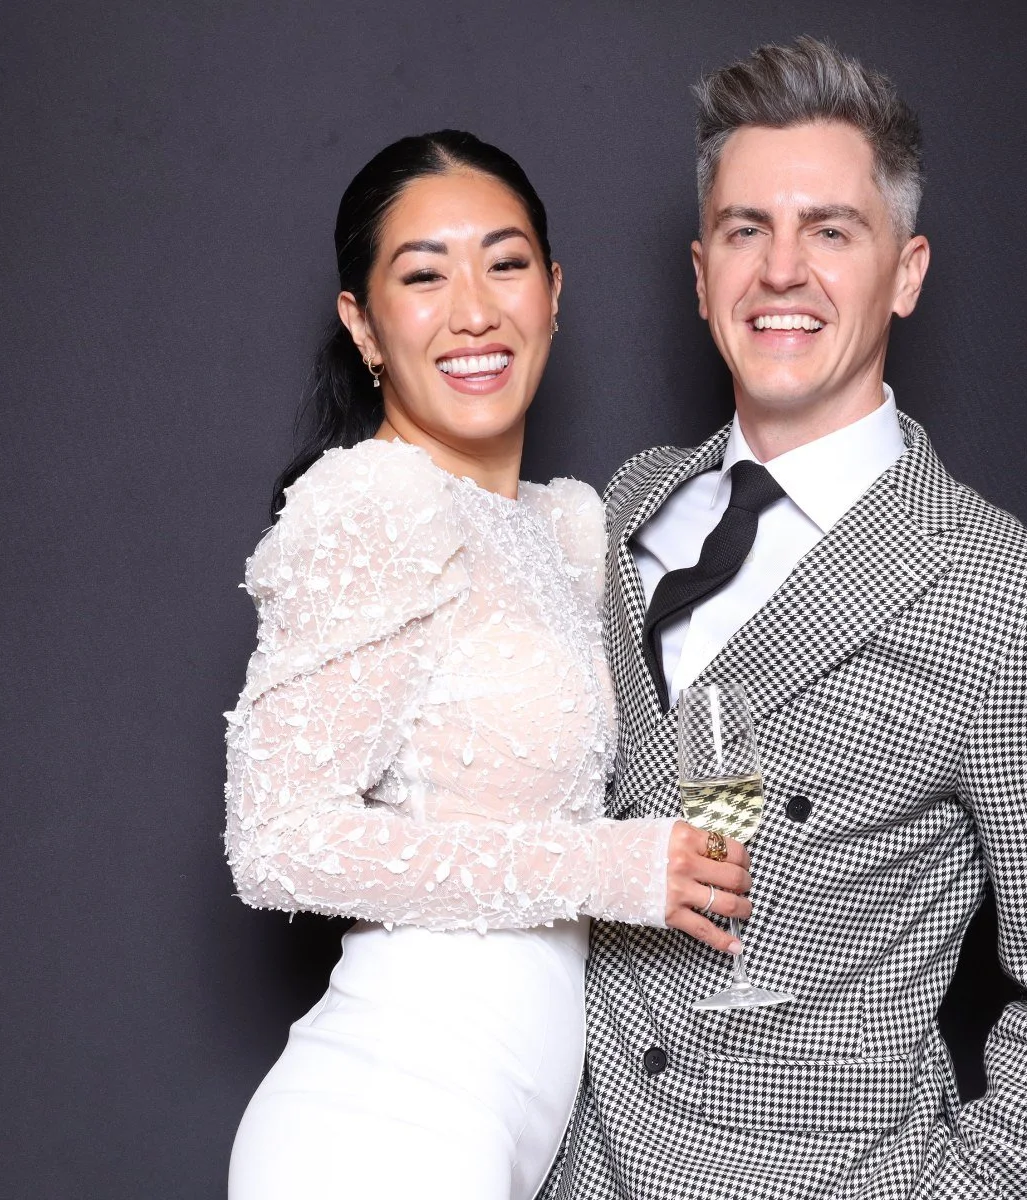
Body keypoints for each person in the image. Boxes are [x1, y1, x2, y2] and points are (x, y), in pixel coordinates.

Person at [545, 39, 1027, 1199]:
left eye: (831, 230)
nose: (783, 271)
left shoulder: (1021, 608)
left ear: (907, 270)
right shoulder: (627, 502)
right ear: (699, 271)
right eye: (745, 230)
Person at [222, 130, 752, 1200]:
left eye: (504, 263)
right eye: (423, 275)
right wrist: (611, 870)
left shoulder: (563, 528)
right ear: (363, 327)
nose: (473, 308)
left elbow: (675, 739)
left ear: (554, 293)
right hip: (386, 1115)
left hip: (511, 1128)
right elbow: (271, 843)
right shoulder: (374, 504)